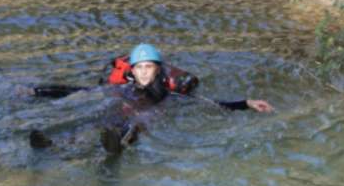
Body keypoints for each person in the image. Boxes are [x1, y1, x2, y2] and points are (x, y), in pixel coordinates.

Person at [29, 43, 274, 154]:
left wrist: (246, 103)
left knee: (136, 124)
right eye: (140, 67)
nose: (144, 72)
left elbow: (211, 103)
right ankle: (53, 144)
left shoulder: (169, 93)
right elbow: (79, 91)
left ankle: (117, 146)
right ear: (132, 71)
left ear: (158, 69)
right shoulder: (122, 89)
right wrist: (38, 92)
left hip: (142, 121)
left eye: (149, 67)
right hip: (117, 112)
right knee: (94, 121)